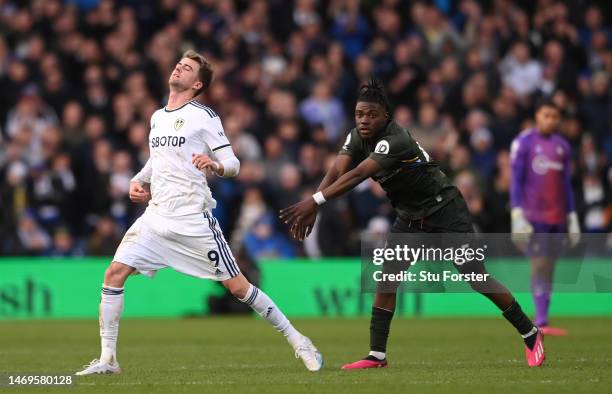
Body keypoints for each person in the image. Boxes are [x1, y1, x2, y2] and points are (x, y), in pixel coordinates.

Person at [76, 50, 322, 375]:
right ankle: (109, 360)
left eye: (187, 67)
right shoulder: (157, 117)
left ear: (197, 84)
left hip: (193, 220)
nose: (179, 66)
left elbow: (233, 163)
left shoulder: (203, 116)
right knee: (114, 275)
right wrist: (138, 179)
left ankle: (298, 340)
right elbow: (158, 160)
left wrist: (215, 165)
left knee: (239, 288)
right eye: (179, 62)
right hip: (155, 217)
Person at [280, 79, 544, 369]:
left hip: (445, 209)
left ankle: (530, 333)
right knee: (386, 277)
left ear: (386, 117)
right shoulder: (357, 136)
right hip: (411, 215)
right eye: (359, 114)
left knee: (475, 277)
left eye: (371, 114)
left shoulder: (396, 140)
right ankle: (377, 356)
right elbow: (337, 169)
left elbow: (356, 175)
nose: (364, 120)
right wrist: (316, 205)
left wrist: (314, 201)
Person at [510, 99, 580, 337]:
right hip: (532, 215)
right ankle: (540, 319)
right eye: (546, 115)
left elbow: (566, 186)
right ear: (537, 115)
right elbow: (516, 180)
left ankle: (544, 318)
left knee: (549, 265)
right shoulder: (524, 143)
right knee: (539, 263)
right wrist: (517, 213)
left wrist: (571, 216)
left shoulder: (563, 146)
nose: (550, 120)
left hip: (557, 216)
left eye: (554, 116)